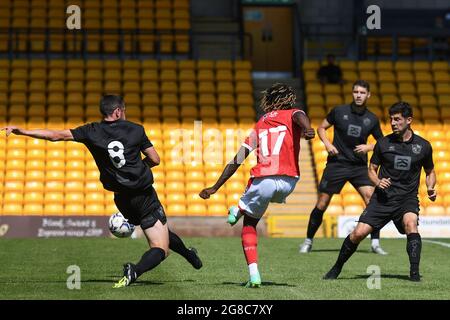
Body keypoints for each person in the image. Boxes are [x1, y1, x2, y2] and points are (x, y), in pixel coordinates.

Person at [1, 95, 202, 288]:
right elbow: (155, 159)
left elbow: (56, 136)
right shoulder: (136, 130)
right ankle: (135, 270)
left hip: (121, 200)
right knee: (160, 249)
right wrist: (140, 167)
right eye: (123, 110)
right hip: (143, 194)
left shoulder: (91, 130)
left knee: (159, 227)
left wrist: (23, 131)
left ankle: (189, 254)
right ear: (117, 111)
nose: (124, 113)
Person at [199, 83, 315, 288]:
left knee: (249, 225)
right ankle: (241, 210)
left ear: (268, 101)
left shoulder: (259, 125)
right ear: (289, 98)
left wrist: (215, 187)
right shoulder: (293, 113)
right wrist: (307, 129)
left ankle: (239, 213)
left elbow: (237, 160)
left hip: (264, 180)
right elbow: (300, 116)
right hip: (289, 182)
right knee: (257, 210)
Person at [323, 101, 436, 282]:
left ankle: (414, 274)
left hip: (406, 199)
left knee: (411, 224)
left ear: (409, 120)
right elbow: (371, 169)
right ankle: (336, 268)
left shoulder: (423, 146)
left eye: (397, 119)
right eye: (391, 119)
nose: (393, 123)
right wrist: (377, 181)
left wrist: (430, 187)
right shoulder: (383, 143)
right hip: (382, 199)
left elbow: (430, 171)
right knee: (358, 233)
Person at [299, 80, 388, 255]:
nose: (358, 95)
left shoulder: (372, 118)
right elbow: (321, 128)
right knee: (322, 202)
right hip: (337, 164)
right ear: (352, 93)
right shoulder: (339, 111)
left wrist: (368, 147)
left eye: (362, 93)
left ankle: (375, 243)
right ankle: (308, 241)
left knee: (372, 200)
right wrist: (327, 144)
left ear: (368, 95)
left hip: (359, 167)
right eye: (356, 92)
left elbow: (382, 142)